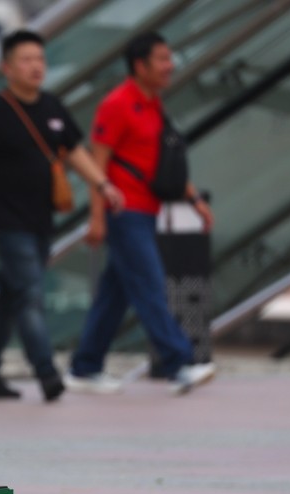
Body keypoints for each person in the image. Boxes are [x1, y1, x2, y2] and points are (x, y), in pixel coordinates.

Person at [0, 30, 124, 402]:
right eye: (26, 59)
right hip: (6, 224)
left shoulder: (53, 108)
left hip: (42, 222)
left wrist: (103, 186)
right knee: (30, 295)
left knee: (12, 295)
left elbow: (75, 153)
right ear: (6, 67)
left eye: (40, 59)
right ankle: (46, 372)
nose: (36, 66)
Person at [66, 32, 216, 396]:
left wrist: (193, 199)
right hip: (124, 211)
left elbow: (162, 163)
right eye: (163, 59)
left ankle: (85, 366)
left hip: (148, 211)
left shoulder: (153, 104)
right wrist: (97, 217)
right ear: (140, 65)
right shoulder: (117, 104)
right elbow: (96, 164)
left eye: (170, 57)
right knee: (150, 285)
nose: (171, 65)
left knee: (116, 293)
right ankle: (179, 361)